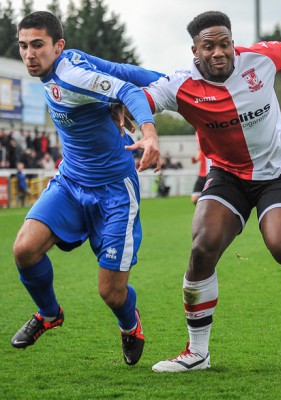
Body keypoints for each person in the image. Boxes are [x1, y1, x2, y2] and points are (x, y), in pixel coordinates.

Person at [133, 11, 281, 372]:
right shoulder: (180, 85)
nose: (220, 52)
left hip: (278, 174)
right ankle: (198, 353)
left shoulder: (261, 58)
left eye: (225, 43)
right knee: (202, 248)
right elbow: (140, 100)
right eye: (209, 46)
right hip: (228, 176)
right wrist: (146, 131)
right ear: (196, 50)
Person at [11, 11, 163, 366]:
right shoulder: (66, 61)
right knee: (24, 250)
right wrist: (169, 78)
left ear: (57, 46)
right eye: (23, 46)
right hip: (71, 182)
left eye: (37, 45)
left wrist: (149, 131)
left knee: (110, 292)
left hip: (113, 191)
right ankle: (49, 314)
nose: (30, 54)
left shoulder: (72, 74)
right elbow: (121, 70)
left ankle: (130, 326)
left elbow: (126, 87)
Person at [191, 133, 211, 205]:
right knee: (195, 198)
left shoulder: (213, 147)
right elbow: (197, 158)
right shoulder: (201, 149)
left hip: (212, 175)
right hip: (202, 175)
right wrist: (194, 160)